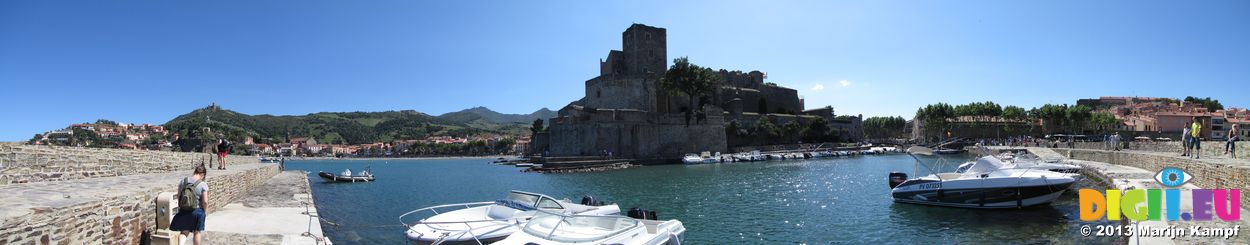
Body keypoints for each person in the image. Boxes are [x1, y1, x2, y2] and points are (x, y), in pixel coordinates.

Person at [170, 165, 209, 245]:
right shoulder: (203, 184)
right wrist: (204, 211)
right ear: (203, 174)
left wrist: (182, 207)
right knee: (197, 232)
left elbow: (179, 196)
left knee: (184, 232)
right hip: (197, 211)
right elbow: (205, 201)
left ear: (195, 172)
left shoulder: (183, 181)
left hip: (184, 209)